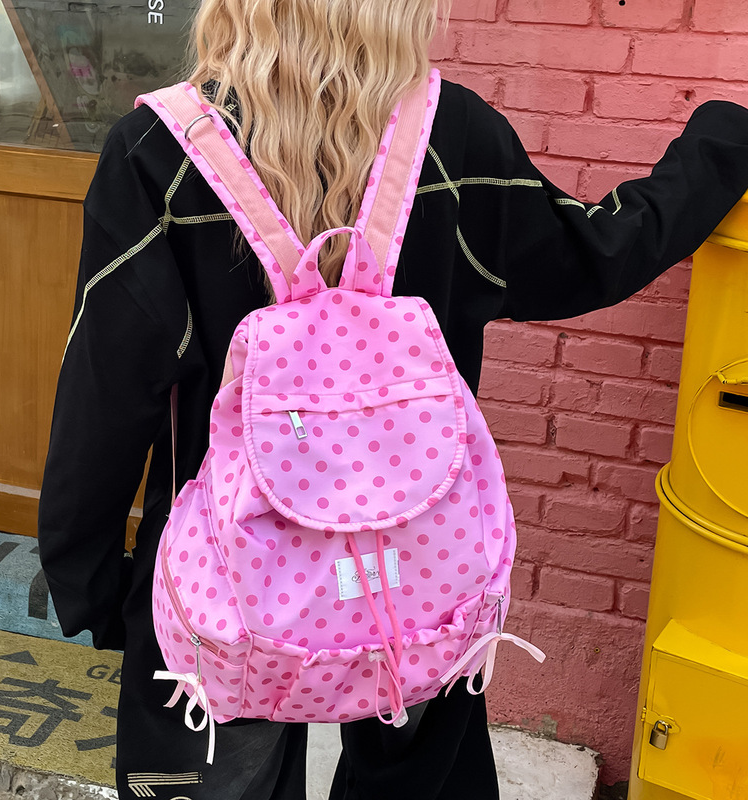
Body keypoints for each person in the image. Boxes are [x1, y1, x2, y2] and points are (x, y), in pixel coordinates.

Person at [37, 0, 748, 797]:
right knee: (418, 772)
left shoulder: (157, 153)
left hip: (224, 572)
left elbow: (105, 391)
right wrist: (722, 142)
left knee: (205, 780)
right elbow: (595, 252)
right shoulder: (458, 138)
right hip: (416, 559)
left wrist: (91, 582)